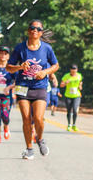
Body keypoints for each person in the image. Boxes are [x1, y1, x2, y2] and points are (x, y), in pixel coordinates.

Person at [8, 21, 59, 158]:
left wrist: (45, 72)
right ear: (28, 31)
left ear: (41, 32)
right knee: (26, 118)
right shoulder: (20, 48)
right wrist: (19, 67)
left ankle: (40, 138)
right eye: (32, 28)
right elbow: (8, 67)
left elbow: (55, 65)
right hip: (23, 87)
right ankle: (29, 148)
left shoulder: (46, 48)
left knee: (38, 118)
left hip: (40, 87)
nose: (34, 30)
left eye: (38, 29)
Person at [60, 64, 83, 131]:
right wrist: (65, 83)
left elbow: (80, 82)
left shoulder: (79, 75)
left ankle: (74, 125)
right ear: (70, 70)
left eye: (75, 70)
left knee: (75, 110)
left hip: (77, 95)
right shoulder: (66, 76)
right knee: (69, 110)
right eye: (72, 71)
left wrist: (80, 86)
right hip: (68, 95)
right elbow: (61, 85)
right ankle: (69, 124)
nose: (74, 72)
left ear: (77, 70)